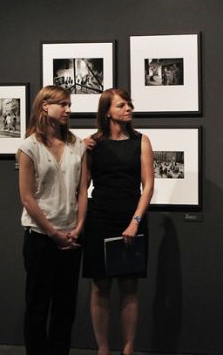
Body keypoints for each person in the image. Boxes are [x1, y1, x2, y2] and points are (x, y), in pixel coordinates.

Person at [81, 88, 154, 355]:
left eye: (129, 105)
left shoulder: (141, 141)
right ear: (107, 111)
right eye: (122, 105)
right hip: (99, 218)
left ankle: (128, 348)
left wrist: (135, 221)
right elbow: (83, 185)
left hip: (130, 217)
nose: (128, 109)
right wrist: (79, 149)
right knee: (100, 285)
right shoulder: (93, 143)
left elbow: (147, 187)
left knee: (129, 285)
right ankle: (102, 349)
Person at [18, 86, 89, 355]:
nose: (69, 110)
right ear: (45, 106)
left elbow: (82, 191)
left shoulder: (77, 145)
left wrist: (78, 227)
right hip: (40, 237)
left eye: (70, 104)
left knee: (65, 307)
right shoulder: (29, 147)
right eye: (63, 104)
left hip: (71, 236)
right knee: (37, 307)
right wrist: (52, 232)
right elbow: (27, 198)